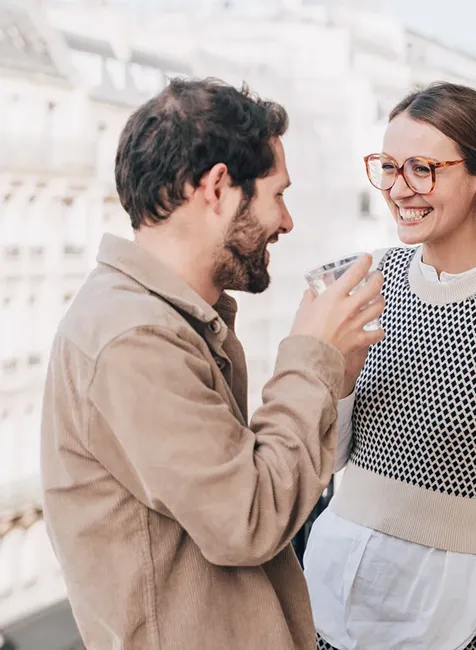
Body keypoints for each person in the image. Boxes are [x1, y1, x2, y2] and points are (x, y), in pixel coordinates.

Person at [39, 78, 384, 650]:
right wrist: (309, 358)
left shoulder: (165, 320)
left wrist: (329, 379)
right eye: (278, 194)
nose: (289, 221)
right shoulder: (136, 337)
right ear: (218, 188)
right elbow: (249, 519)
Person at [304, 82, 476, 650]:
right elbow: (325, 463)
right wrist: (337, 377)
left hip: (448, 620)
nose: (399, 188)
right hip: (328, 601)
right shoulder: (368, 281)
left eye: (423, 168)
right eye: (388, 166)